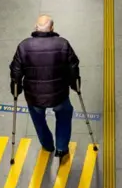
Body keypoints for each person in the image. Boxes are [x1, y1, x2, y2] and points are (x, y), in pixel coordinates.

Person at [10, 15, 81, 160]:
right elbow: (73, 67)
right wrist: (75, 85)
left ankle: (48, 145)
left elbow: (16, 72)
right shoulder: (63, 44)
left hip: (34, 96)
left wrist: (16, 89)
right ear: (52, 28)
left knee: (38, 120)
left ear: (36, 27)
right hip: (59, 94)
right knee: (64, 115)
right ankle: (61, 148)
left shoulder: (24, 46)